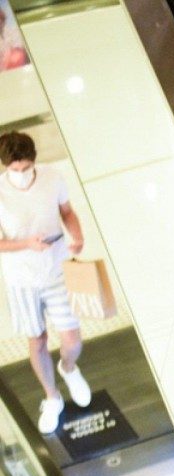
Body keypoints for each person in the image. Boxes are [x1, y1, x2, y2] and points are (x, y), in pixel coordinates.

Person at [0, 132, 91, 434]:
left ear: (34, 161)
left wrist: (76, 236)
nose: (21, 175)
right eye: (15, 171)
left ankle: (69, 368)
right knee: (36, 340)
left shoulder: (53, 177)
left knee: (72, 340)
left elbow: (67, 212)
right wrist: (26, 243)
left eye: (25, 168)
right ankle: (52, 398)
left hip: (56, 268)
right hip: (21, 279)